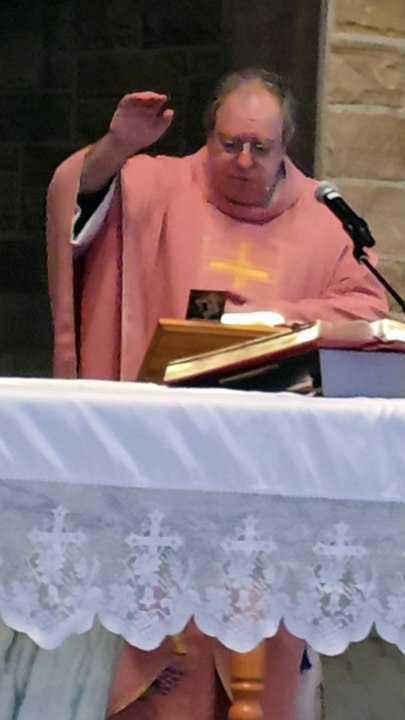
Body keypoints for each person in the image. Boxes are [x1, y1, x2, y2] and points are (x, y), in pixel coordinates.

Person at [46, 68, 388, 720]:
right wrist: (116, 147)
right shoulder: (157, 187)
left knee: (256, 623)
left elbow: (366, 307)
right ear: (208, 137)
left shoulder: (323, 216)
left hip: (271, 468)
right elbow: (76, 202)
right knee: (155, 623)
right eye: (229, 144)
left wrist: (272, 315)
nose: (243, 160)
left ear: (286, 143)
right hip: (160, 458)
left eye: (260, 147)